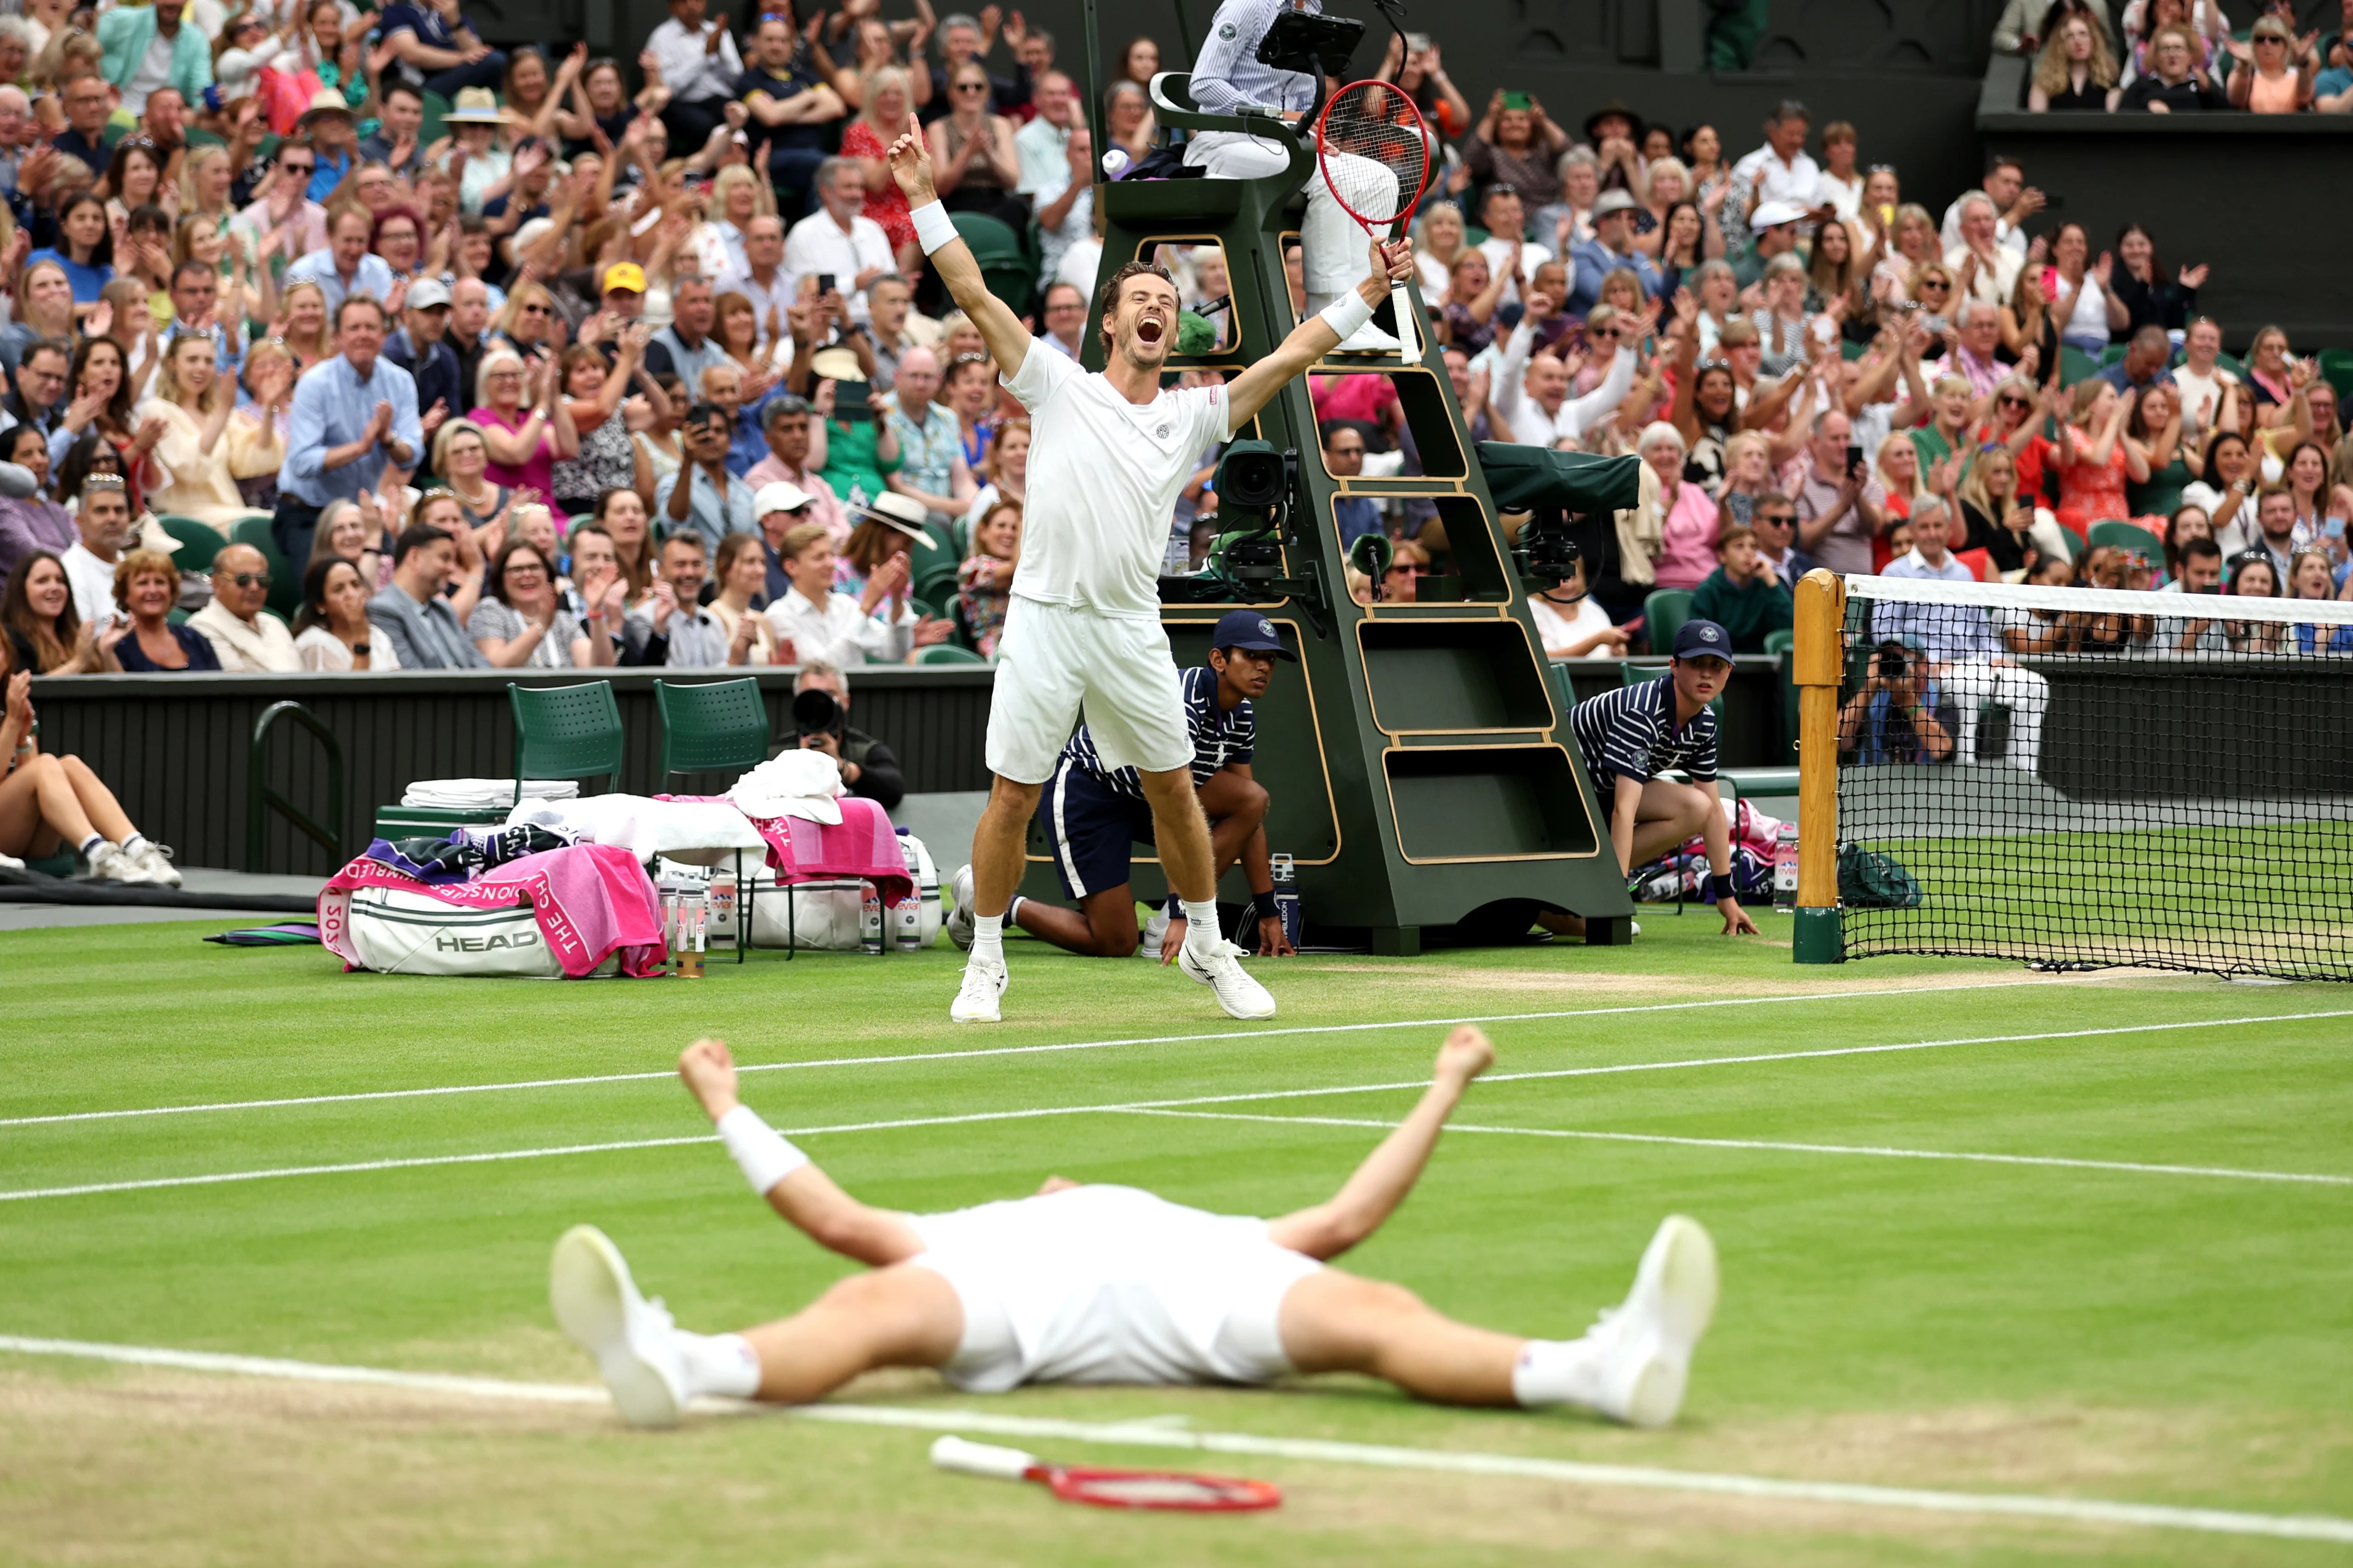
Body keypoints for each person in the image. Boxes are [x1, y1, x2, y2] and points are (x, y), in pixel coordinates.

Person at [552, 1028, 1718, 1430]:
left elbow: (1356, 1215)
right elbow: (839, 1221)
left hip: (1186, 1289)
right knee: (864, 1310)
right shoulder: (991, 1223)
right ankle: (684, 1359)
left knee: (1381, 1315)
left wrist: (1447, 1081)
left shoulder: (1202, 1226)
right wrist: (723, 1100)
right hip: (1038, 1292)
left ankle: (1598, 1368)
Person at [890, 110, 1401, 1025]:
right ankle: (987, 961)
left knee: (1175, 788)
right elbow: (971, 290)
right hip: (1045, 618)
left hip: (1130, 626)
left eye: (1167, 299)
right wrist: (926, 198)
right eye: (1140, 297)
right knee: (1012, 796)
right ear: (1111, 321)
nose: (1157, 305)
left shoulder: (1192, 415)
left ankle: (1208, 946)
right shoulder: (1054, 384)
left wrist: (1363, 295)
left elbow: (1290, 357)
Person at [977, 609, 1298, 962]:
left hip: (1147, 796)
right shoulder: (1183, 701)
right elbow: (1176, 805)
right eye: (1251, 656)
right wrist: (1180, 913)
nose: (1264, 667)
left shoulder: (1243, 715)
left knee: (1251, 800)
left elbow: (1250, 820)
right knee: (1116, 942)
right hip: (1090, 789)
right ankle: (1002, 906)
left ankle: (1176, 916)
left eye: (1270, 659)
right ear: (1219, 660)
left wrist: (1269, 914)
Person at [1183, 0, 1412, 353]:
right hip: (1223, 142)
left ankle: (1358, 315)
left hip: (1282, 144)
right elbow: (1204, 84)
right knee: (1326, 176)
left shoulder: (1314, 9)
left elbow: (1301, 101)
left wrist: (1309, 128)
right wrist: (1280, 117)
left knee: (1381, 178)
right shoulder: (1248, 5)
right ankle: (1327, 318)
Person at [1564, 618, 1756, 937]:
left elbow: (1711, 811)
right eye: (1696, 663)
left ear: (1729, 673)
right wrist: (1616, 900)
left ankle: (1588, 887)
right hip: (1559, 791)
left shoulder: (1705, 722)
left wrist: (1726, 897)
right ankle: (1600, 895)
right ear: (1674, 666)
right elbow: (1623, 810)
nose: (1707, 673)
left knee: (1699, 806)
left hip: (1600, 790)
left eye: (1717, 665)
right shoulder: (1642, 711)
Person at [1872, 498, 2050, 768]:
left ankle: (2023, 777)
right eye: (1924, 527)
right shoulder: (1895, 573)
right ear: (1913, 529)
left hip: (1974, 664)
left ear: (1948, 529)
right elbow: (1883, 634)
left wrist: (1995, 656)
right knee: (1968, 688)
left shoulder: (1964, 574)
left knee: (2036, 688)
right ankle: (1964, 774)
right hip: (1926, 671)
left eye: (1938, 526)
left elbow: (1982, 628)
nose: (1932, 533)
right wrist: (1923, 661)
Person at [276, 297, 422, 574]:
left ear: (384, 334)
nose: (363, 335)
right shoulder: (316, 384)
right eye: (354, 328)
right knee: (329, 595)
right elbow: (303, 462)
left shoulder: (400, 381)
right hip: (309, 514)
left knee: (403, 583)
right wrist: (361, 447)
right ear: (338, 337)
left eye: (371, 327)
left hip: (361, 514)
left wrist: (387, 440)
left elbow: (412, 454)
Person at [0, 665, 180, 883]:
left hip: (20, 834)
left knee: (69, 765)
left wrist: (22, 739)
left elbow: (28, 778)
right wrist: (12, 723)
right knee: (46, 764)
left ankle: (139, 849)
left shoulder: (12, 696)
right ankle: (98, 853)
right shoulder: (11, 707)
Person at [760, 510, 923, 666]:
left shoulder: (845, 605)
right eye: (819, 558)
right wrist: (866, 607)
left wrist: (897, 598)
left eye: (831, 555)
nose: (830, 564)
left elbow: (895, 651)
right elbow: (822, 668)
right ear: (791, 567)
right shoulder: (780, 615)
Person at [469, 534, 613, 669]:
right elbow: (497, 664)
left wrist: (596, 611)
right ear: (501, 577)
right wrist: (542, 625)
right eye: (517, 569)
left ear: (548, 574)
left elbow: (600, 669)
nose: (527, 575)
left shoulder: (563, 621)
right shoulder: (490, 610)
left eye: (534, 567)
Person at [783, 157, 898, 322]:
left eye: (860, 187)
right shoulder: (804, 233)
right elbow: (805, 292)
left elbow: (892, 278)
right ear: (826, 192)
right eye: (849, 187)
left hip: (882, 325)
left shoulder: (873, 229)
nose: (857, 194)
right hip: (833, 326)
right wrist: (854, 284)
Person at [368, 521, 487, 668]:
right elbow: (414, 677)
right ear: (415, 557)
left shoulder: (443, 609)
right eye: (445, 558)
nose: (451, 569)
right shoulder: (383, 610)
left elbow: (480, 664)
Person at [1838, 633, 1957, 764]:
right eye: (1890, 658)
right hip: (1876, 782)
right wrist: (1867, 690)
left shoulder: (1943, 703)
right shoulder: (1874, 702)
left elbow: (1941, 749)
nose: (1896, 664)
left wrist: (1909, 702)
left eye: (1903, 659)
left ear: (1924, 665)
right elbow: (1839, 742)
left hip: (1924, 783)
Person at [648, 0, 744, 154]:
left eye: (697, 1)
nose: (692, 6)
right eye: (684, 2)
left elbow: (737, 77)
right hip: (684, 104)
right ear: (673, 7)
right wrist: (705, 55)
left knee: (743, 116)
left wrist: (719, 50)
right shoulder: (662, 38)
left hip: (721, 100)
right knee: (704, 125)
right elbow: (669, 88)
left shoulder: (719, 31)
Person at [187, 544, 301, 672]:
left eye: (262, 580)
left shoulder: (274, 623)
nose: (254, 588)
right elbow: (235, 687)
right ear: (217, 583)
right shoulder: (203, 627)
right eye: (243, 580)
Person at [4, 547, 118, 674]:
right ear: (22, 591)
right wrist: (78, 662)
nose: (54, 587)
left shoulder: (77, 636)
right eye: (42, 581)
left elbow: (120, 689)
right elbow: (26, 691)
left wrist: (107, 651)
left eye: (60, 580)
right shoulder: (11, 640)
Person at [105, 547, 219, 673]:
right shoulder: (117, 646)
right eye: (143, 583)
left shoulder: (195, 639)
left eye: (160, 582)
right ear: (125, 594)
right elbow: (121, 692)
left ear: (171, 591)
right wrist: (107, 653)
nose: (153, 591)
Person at [1690, 523, 1795, 653]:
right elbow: (1699, 638)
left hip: (1763, 666)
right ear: (1723, 556)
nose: (1748, 553)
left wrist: (1773, 582)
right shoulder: (1709, 591)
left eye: (1754, 547)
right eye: (1739, 546)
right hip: (1721, 664)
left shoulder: (1765, 586)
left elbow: (1790, 627)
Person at [58, 475, 137, 627]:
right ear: (80, 522)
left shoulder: (131, 565)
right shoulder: (69, 571)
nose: (112, 519)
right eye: (101, 511)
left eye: (119, 511)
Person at [293, 554, 395, 670]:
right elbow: (351, 688)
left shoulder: (378, 636)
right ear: (321, 605)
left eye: (356, 584)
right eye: (339, 589)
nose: (351, 594)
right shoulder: (315, 644)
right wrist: (362, 642)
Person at [1529, 556, 1629, 660]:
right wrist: (1597, 640)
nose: (1568, 585)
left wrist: (1618, 653)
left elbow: (1610, 655)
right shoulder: (1531, 610)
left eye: (1574, 577)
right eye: (1559, 579)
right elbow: (1544, 659)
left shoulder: (1593, 609)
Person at [2120, 23, 2231, 108]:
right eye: (2165, 49)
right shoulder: (2141, 85)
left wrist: (2210, 90)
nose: (2172, 55)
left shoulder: (2203, 86)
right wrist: (2147, 112)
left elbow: (2228, 118)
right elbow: (2121, 120)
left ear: (2190, 56)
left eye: (2178, 48)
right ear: (2156, 57)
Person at [2029, 12, 2124, 107]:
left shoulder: (2109, 81)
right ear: (2061, 45)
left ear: (2093, 41)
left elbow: (2113, 121)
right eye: (2070, 36)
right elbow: (2037, 120)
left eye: (2083, 34)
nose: (2078, 41)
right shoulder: (2045, 82)